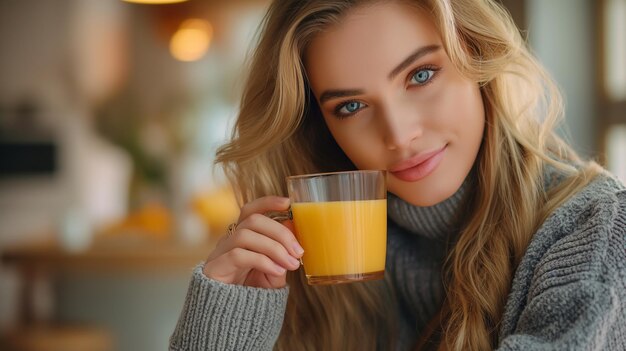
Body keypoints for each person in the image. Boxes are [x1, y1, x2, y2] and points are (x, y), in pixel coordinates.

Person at [169, 0, 626, 350]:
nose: (400, 135)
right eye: (351, 106)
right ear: (319, 124)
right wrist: (224, 323)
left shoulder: (594, 226)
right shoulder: (323, 258)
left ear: (477, 54)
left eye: (421, 75)